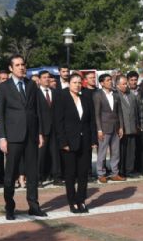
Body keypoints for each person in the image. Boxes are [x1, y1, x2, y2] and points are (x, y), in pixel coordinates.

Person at [0, 54, 46, 220]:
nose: (21, 67)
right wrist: (2, 137)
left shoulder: (31, 85)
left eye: (23, 64)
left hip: (31, 135)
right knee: (10, 173)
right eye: (17, 65)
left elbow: (36, 111)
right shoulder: (4, 87)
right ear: (11, 68)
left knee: (32, 172)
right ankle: (10, 207)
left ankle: (33, 205)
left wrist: (39, 133)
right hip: (13, 136)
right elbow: (0, 114)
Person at [54, 73, 97, 214]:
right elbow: (58, 122)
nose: (77, 85)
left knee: (83, 173)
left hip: (84, 141)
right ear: (69, 83)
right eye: (74, 82)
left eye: (79, 82)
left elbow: (91, 121)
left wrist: (93, 140)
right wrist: (63, 142)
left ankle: (81, 200)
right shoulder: (61, 97)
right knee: (70, 174)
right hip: (68, 142)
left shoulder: (86, 97)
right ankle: (72, 201)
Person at [94, 74, 125, 182]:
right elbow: (97, 114)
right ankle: (101, 173)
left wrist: (121, 126)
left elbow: (119, 112)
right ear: (102, 83)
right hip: (104, 127)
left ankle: (114, 173)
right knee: (102, 152)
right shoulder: (98, 94)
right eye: (107, 80)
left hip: (115, 127)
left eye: (110, 80)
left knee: (115, 152)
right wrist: (99, 129)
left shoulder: (116, 94)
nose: (110, 82)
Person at [37, 70, 62, 186]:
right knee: (41, 154)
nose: (46, 79)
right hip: (42, 129)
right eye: (44, 77)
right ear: (39, 80)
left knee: (55, 153)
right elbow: (36, 113)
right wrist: (39, 131)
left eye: (48, 77)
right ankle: (39, 178)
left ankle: (57, 177)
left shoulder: (55, 92)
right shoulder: (36, 93)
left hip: (55, 129)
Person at [116, 75, 139, 178]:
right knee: (121, 151)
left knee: (131, 151)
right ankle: (121, 171)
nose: (126, 85)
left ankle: (130, 170)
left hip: (132, 127)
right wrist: (119, 127)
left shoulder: (131, 95)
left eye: (126, 83)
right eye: (123, 84)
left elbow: (135, 110)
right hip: (122, 127)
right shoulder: (115, 95)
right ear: (117, 85)